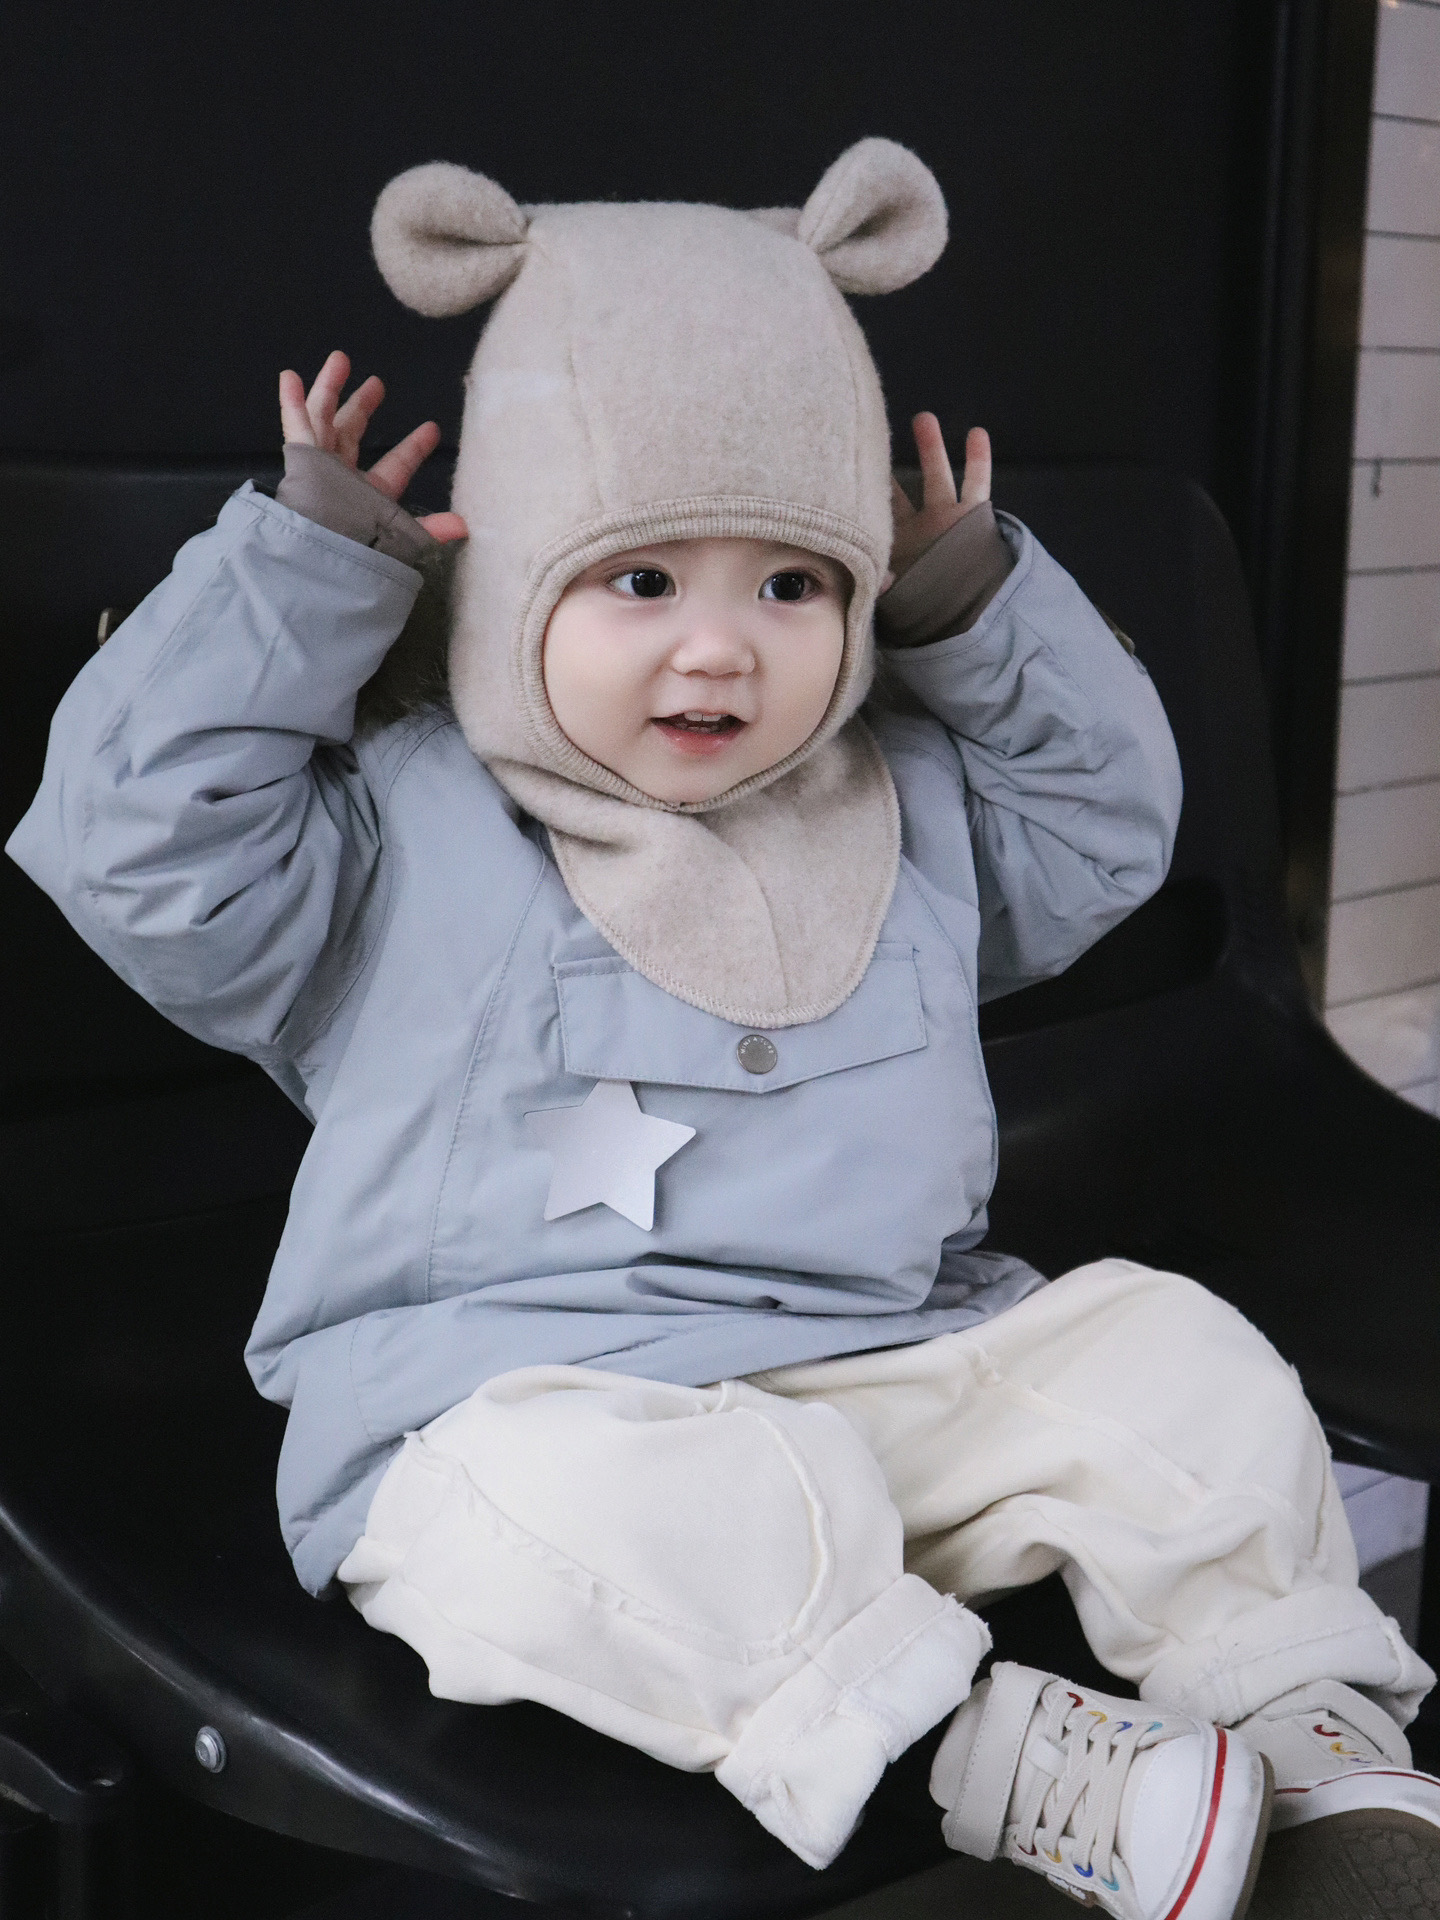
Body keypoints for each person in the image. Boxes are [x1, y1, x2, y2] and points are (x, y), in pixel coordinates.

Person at [8, 139, 1437, 1917]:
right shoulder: (403, 824)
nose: (719, 652)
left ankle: (1310, 1740)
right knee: (524, 1530)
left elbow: (1105, 827)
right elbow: (135, 847)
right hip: (529, 1389)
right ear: (512, 571)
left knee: (1172, 1363)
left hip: (892, 1353)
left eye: (791, 583)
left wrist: (973, 603)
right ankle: (999, 1753)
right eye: (638, 582)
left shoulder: (897, 807)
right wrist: (305, 575)